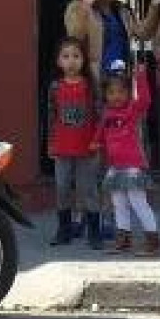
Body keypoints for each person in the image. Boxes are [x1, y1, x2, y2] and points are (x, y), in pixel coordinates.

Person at [45, 37, 103, 248]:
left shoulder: (90, 85)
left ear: (84, 60)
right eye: (66, 56)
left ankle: (94, 232)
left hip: (87, 148)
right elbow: (51, 118)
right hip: (62, 148)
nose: (71, 61)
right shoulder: (54, 87)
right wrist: (50, 144)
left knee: (88, 189)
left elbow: (99, 115)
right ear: (58, 61)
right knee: (62, 188)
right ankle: (63, 230)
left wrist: (97, 141)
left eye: (76, 56)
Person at [96, 74, 160, 255]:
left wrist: (140, 77)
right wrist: (94, 143)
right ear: (106, 95)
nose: (116, 96)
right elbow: (101, 133)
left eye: (121, 91)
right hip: (115, 167)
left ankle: (152, 240)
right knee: (119, 203)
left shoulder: (131, 110)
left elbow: (145, 100)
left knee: (138, 202)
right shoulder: (107, 114)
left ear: (128, 94)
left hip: (132, 166)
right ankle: (123, 239)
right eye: (111, 92)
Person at [64, 0, 139, 80]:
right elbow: (75, 39)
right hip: (97, 76)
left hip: (121, 76)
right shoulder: (77, 8)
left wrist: (156, 6)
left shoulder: (121, 10)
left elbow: (142, 32)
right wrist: (86, 6)